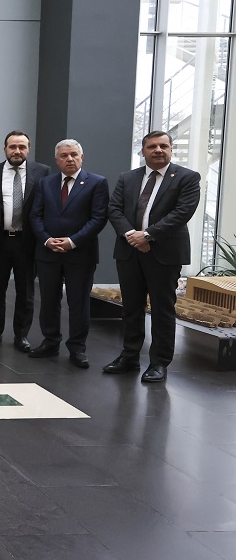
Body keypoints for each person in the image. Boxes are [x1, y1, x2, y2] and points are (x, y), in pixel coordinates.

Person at [104, 130, 201, 383]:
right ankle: (129, 357)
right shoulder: (127, 177)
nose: (158, 150)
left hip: (164, 254)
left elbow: (182, 212)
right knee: (131, 307)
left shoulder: (187, 177)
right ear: (143, 151)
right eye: (152, 146)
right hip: (129, 251)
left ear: (171, 149)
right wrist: (132, 236)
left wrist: (148, 236)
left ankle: (159, 362)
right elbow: (114, 209)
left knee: (162, 309)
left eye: (163, 146)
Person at [28, 139, 109, 369]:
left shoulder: (97, 182)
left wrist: (72, 242)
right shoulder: (45, 183)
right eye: (64, 155)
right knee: (48, 301)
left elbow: (98, 218)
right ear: (57, 160)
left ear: (82, 157)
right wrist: (47, 239)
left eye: (74, 154)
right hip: (48, 252)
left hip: (80, 253)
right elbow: (35, 215)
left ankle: (77, 348)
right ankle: (50, 341)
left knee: (78, 302)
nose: (69, 159)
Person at [0, 131, 50, 352]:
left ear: (28, 149)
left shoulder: (43, 172)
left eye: (22, 147)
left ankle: (21, 335)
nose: (17, 151)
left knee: (26, 291)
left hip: (27, 241)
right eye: (12, 147)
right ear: (5, 149)